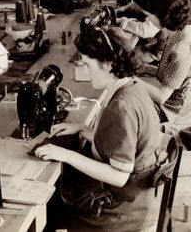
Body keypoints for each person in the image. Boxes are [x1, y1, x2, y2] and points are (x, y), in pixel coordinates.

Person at [34, 26, 169, 231]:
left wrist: (64, 154)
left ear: (107, 64)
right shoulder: (132, 86)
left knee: (50, 211)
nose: (84, 71)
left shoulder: (120, 107)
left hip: (123, 211)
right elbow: (122, 143)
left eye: (88, 65)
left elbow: (119, 176)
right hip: (140, 199)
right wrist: (81, 129)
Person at [133, 0, 191, 125]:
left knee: (121, 104)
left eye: (149, 15)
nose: (148, 20)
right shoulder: (184, 30)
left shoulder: (182, 45)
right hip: (178, 101)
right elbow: (175, 75)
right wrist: (142, 68)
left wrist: (128, 78)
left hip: (171, 113)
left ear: (162, 14)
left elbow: (161, 97)